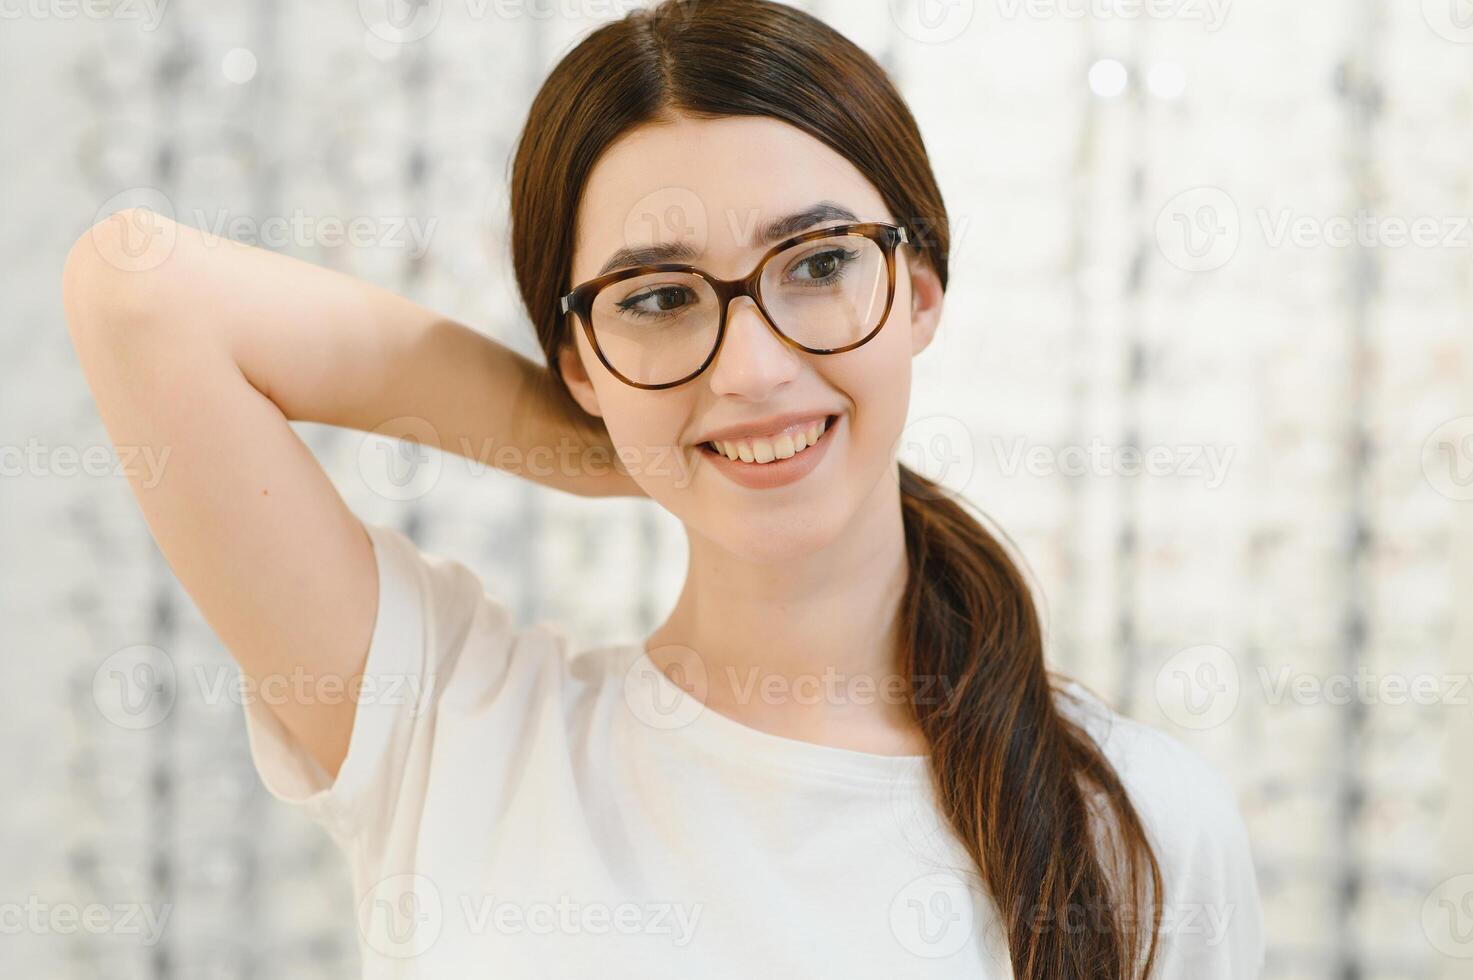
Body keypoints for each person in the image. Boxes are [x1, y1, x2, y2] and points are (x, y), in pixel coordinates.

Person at [61, 0, 1264, 976]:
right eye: (656, 298)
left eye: (822, 262)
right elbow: (139, 291)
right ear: (575, 357)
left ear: (924, 287)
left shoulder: (1141, 821)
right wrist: (619, 442)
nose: (751, 364)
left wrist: (677, 415)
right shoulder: (458, 725)